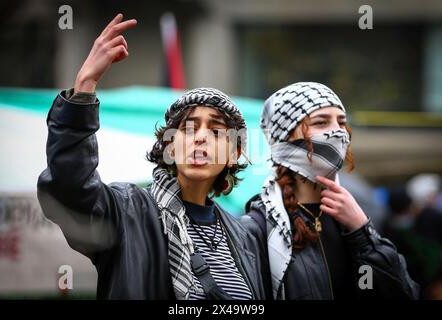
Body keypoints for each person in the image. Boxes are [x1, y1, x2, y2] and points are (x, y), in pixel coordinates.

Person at [37, 14, 265, 300]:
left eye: (217, 131)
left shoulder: (243, 237)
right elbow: (69, 187)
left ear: (235, 154)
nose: (201, 137)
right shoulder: (126, 211)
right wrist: (84, 88)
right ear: (170, 147)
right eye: (189, 128)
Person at [241, 82, 419, 299]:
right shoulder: (255, 229)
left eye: (342, 122)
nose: (338, 131)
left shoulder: (354, 217)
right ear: (285, 140)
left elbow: (392, 293)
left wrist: (363, 235)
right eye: (321, 122)